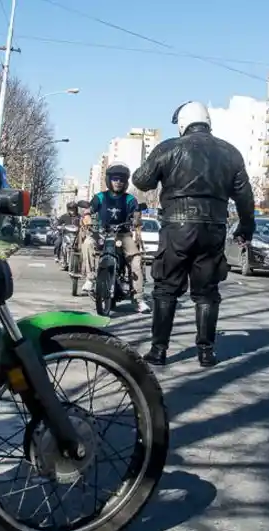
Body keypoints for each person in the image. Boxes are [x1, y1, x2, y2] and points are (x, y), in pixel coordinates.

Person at [132, 101, 255, 367]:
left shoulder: (169, 148)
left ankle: (159, 350)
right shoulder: (230, 153)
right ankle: (206, 352)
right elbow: (245, 196)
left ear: (182, 124)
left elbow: (142, 179)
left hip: (176, 228)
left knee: (166, 289)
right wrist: (247, 226)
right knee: (207, 292)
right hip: (213, 229)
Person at [80, 163, 150, 313]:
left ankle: (138, 299)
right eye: (115, 179)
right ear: (108, 180)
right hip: (101, 233)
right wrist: (87, 217)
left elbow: (136, 213)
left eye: (121, 179)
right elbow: (89, 209)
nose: (118, 182)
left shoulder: (130, 199)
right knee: (87, 243)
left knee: (136, 260)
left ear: (126, 182)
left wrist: (137, 218)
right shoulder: (100, 196)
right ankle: (90, 278)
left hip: (123, 234)